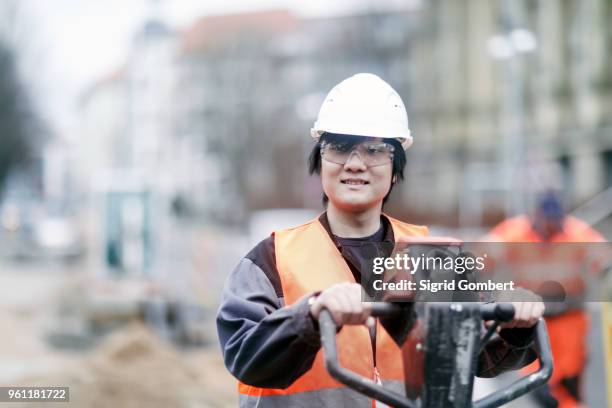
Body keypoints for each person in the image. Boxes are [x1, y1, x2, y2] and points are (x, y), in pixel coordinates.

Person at [217, 73, 545, 407]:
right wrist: (312, 315)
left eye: (374, 150)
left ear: (395, 165)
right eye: (340, 148)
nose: (355, 164)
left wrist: (515, 324)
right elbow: (246, 358)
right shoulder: (271, 261)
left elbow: (480, 356)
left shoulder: (434, 258)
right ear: (320, 158)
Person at [487, 191, 606, 408]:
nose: (551, 226)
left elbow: (602, 254)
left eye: (555, 220)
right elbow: (484, 253)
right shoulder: (516, 231)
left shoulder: (575, 232)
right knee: (534, 379)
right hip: (530, 318)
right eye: (547, 220)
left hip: (569, 316)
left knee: (569, 375)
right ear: (537, 216)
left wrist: (602, 264)